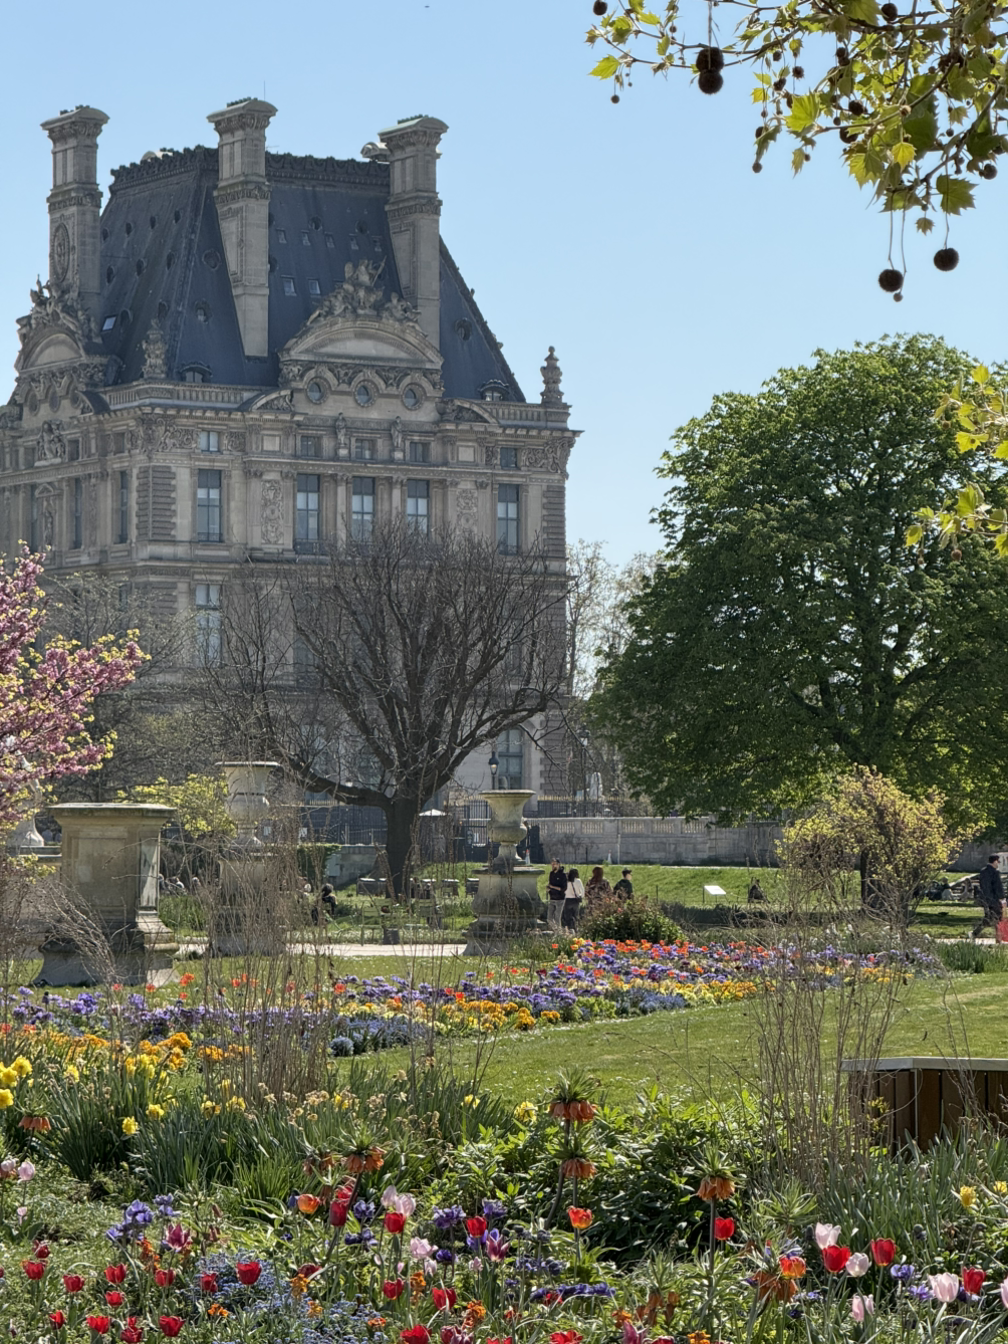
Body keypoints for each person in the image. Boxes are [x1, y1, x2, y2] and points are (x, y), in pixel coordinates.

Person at [972, 855, 1005, 938]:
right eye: (998, 861)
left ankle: (975, 933)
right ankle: (998, 936)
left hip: (986, 899)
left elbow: (985, 886)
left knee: (989, 917)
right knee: (997, 917)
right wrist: (1002, 898)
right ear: (994, 861)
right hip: (994, 899)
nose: (998, 864)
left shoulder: (983, 872)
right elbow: (998, 887)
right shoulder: (995, 872)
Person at [547, 858, 566, 930]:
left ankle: (558, 931)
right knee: (549, 917)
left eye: (554, 864)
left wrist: (553, 887)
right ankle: (553, 929)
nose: (553, 866)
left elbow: (563, 888)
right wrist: (548, 888)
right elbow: (550, 884)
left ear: (558, 865)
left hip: (560, 898)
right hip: (552, 897)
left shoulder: (563, 875)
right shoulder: (551, 874)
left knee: (557, 917)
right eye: (552, 864)